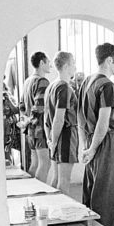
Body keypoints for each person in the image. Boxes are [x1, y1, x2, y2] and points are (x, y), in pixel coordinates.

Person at [78, 43, 114, 226]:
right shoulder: (107, 85)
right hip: (104, 143)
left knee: (92, 190)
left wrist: (85, 147)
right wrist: (95, 148)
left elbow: (79, 119)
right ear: (110, 60)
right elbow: (103, 123)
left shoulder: (87, 81)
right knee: (107, 195)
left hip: (89, 138)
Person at [44, 52, 78, 195]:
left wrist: (50, 139)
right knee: (64, 181)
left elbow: (46, 118)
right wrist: (55, 141)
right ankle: (63, 215)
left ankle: (53, 212)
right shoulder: (64, 87)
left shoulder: (51, 86)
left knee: (56, 178)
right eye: (73, 63)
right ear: (65, 66)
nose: (75, 67)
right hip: (65, 137)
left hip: (55, 136)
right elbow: (59, 118)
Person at [21, 51, 52, 182]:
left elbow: (21, 106)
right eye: (48, 62)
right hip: (39, 128)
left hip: (30, 130)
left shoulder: (27, 81)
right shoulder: (42, 81)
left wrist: (26, 120)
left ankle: (29, 192)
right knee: (45, 163)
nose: (50, 65)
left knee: (34, 163)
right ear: (41, 63)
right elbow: (39, 107)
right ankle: (39, 195)